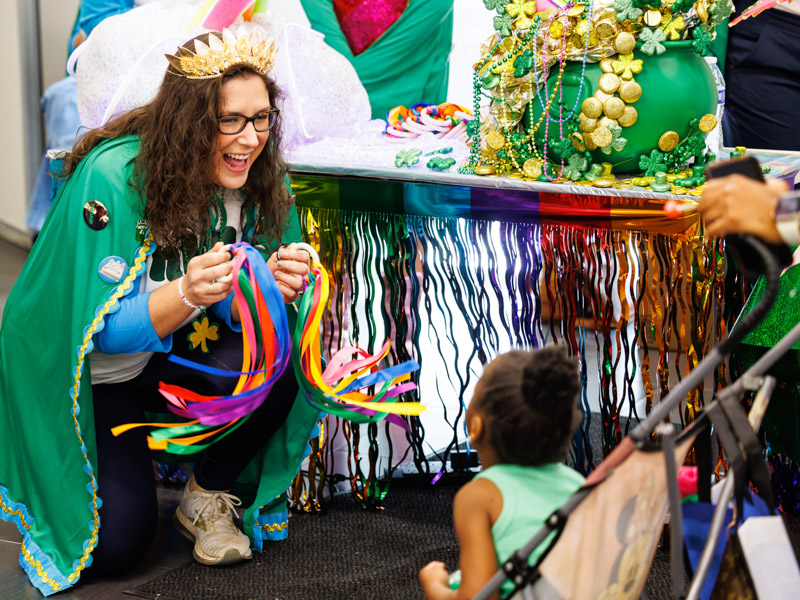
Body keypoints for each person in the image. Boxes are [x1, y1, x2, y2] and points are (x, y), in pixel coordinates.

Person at [0, 26, 321, 596]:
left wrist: (262, 290)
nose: (249, 139)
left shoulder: (255, 181)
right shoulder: (116, 178)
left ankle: (204, 492)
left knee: (285, 358)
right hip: (91, 382)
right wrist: (188, 294)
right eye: (230, 120)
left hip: (168, 364)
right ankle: (114, 464)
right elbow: (101, 337)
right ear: (190, 119)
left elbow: (230, 323)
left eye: (262, 118)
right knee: (117, 548)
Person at [419, 347, 585, 600]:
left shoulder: (479, 496)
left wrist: (435, 586)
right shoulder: (578, 485)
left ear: (475, 426)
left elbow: (480, 597)